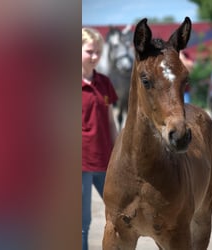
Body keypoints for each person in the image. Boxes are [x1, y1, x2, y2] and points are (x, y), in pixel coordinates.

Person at [82, 27, 118, 250]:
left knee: (121, 214)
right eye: (89, 51)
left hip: (106, 162)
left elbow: (111, 122)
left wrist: (118, 153)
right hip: (80, 164)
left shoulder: (104, 82)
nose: (95, 56)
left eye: (98, 52)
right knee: (82, 223)